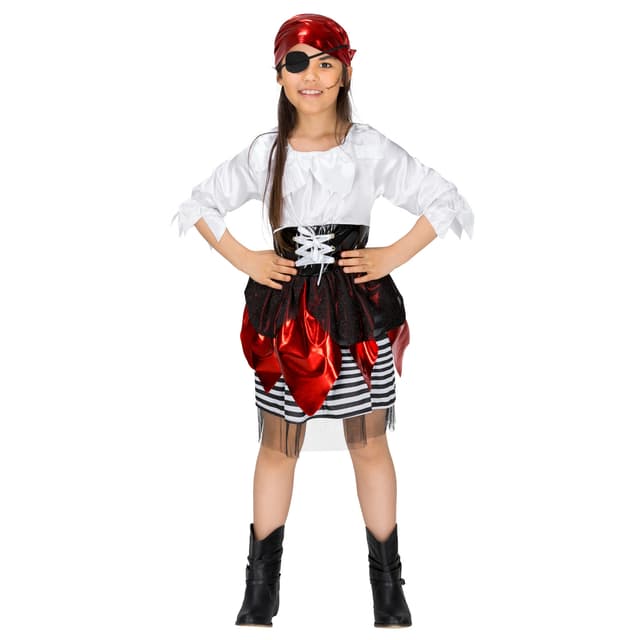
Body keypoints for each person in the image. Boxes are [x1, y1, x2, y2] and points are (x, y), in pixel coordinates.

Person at [172, 13, 474, 628]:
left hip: (354, 316)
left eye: (325, 62)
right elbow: (199, 205)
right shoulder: (267, 152)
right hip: (286, 318)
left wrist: (390, 255)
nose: (311, 76)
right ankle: (261, 589)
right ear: (279, 74)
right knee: (279, 445)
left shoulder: (367, 147)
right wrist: (247, 259)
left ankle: (388, 588)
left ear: (345, 73)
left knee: (368, 442)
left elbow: (444, 199)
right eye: (297, 62)